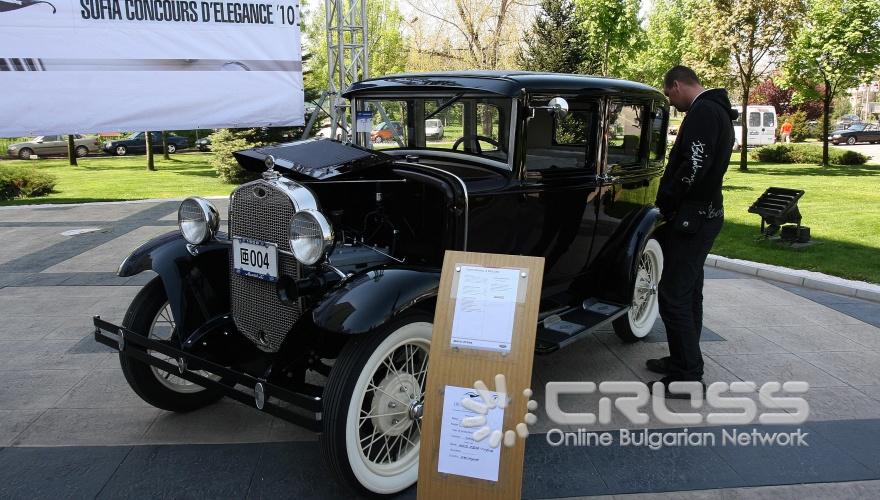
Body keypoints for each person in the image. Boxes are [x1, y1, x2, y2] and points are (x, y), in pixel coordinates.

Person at [646, 66, 737, 398]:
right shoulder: (716, 111)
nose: (671, 102)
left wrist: (668, 199)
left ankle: (687, 377)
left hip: (692, 217)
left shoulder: (703, 112)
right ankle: (683, 359)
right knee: (689, 291)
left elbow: (694, 166)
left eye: (669, 94)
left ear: (678, 85)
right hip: (703, 214)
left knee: (673, 295)